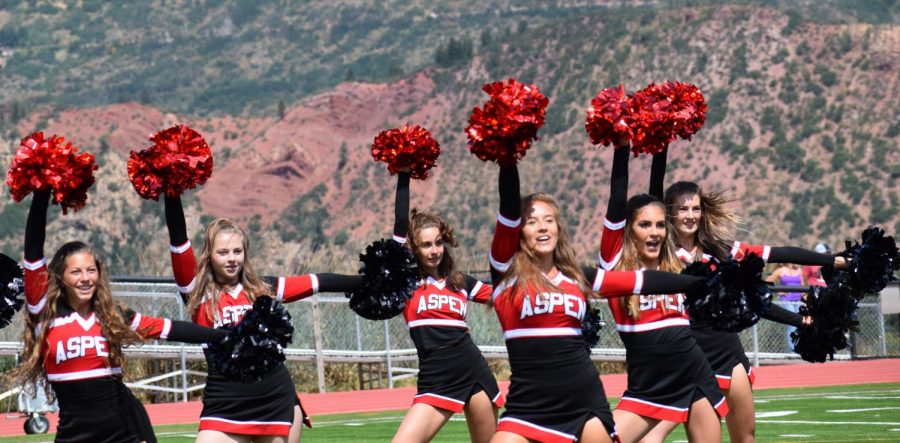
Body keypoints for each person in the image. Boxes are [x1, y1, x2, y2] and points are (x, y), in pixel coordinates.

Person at [488, 162, 711, 443]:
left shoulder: (577, 277)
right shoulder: (506, 273)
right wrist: (508, 155)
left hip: (585, 404)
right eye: (531, 221)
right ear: (519, 232)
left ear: (558, 228)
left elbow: (640, 282)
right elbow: (508, 209)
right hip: (527, 407)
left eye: (548, 220)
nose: (542, 227)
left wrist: (701, 282)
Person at [639, 154, 845, 443]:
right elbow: (652, 196)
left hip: (727, 350)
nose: (690, 215)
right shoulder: (662, 252)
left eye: (695, 208)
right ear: (668, 212)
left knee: (745, 435)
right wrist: (661, 147)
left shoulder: (722, 251)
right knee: (655, 435)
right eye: (681, 208)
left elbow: (777, 256)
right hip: (687, 353)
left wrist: (832, 261)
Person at [14, 191, 226, 443]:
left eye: (91, 270)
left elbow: (167, 329)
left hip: (126, 431)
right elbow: (33, 254)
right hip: (74, 435)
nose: (85, 278)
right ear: (60, 277)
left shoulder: (112, 315)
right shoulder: (44, 314)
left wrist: (224, 336)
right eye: (76, 272)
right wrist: (41, 195)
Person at [162, 195, 362, 443]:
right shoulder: (198, 293)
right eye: (223, 252)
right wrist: (172, 192)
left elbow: (317, 282)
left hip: (274, 398)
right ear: (209, 255)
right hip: (225, 402)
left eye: (237, 251)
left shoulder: (262, 289)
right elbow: (178, 241)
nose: (231, 258)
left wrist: (368, 282)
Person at [600, 149, 728, 443]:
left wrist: (662, 141)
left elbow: (658, 198)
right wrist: (622, 148)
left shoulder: (673, 263)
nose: (655, 232)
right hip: (649, 385)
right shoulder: (616, 266)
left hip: (694, 374)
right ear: (628, 230)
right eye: (644, 225)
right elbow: (617, 201)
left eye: (660, 225)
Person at [389, 172, 504, 443]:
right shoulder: (407, 281)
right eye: (426, 245)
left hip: (472, 368)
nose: (434, 250)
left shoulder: (461, 282)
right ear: (414, 249)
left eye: (438, 242)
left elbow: (507, 298)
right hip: (436, 374)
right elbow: (399, 225)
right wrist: (404, 174)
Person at [766, 263, 806, 350]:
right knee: (792, 324)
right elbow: (768, 281)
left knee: (801, 324)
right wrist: (780, 292)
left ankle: (801, 347)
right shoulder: (781, 270)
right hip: (787, 300)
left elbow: (802, 285)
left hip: (798, 301)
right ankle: (793, 350)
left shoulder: (799, 271)